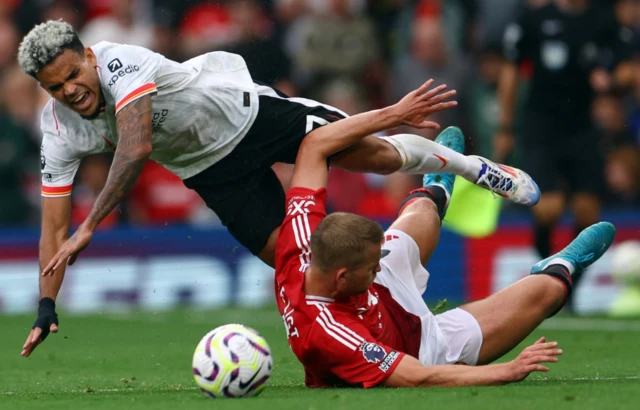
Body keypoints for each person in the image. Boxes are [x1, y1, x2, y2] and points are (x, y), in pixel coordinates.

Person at [19, 20, 539, 357]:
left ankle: (472, 168)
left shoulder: (118, 63)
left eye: (71, 76)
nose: (70, 92)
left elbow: (134, 148)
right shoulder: (60, 128)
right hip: (214, 172)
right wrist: (47, 305)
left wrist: (91, 226)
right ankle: (388, 319)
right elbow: (53, 230)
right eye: (55, 88)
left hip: (250, 114)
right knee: (299, 261)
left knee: (377, 156)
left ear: (87, 56)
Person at [274, 124, 616, 388]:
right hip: (422, 348)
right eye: (370, 267)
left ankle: (437, 188)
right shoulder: (329, 333)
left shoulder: (301, 240)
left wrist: (389, 117)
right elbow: (418, 376)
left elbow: (315, 146)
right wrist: (506, 372)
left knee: (422, 211)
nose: (378, 266)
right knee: (548, 293)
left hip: (381, 295)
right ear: (342, 278)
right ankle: (561, 264)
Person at [495, 0, 634, 312]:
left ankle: (567, 291)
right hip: (541, 127)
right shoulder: (533, 19)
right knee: (549, 209)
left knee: (588, 216)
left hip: (584, 129)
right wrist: (505, 126)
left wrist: (610, 81)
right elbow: (510, 69)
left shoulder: (603, 20)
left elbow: (628, 67)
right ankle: (548, 265)